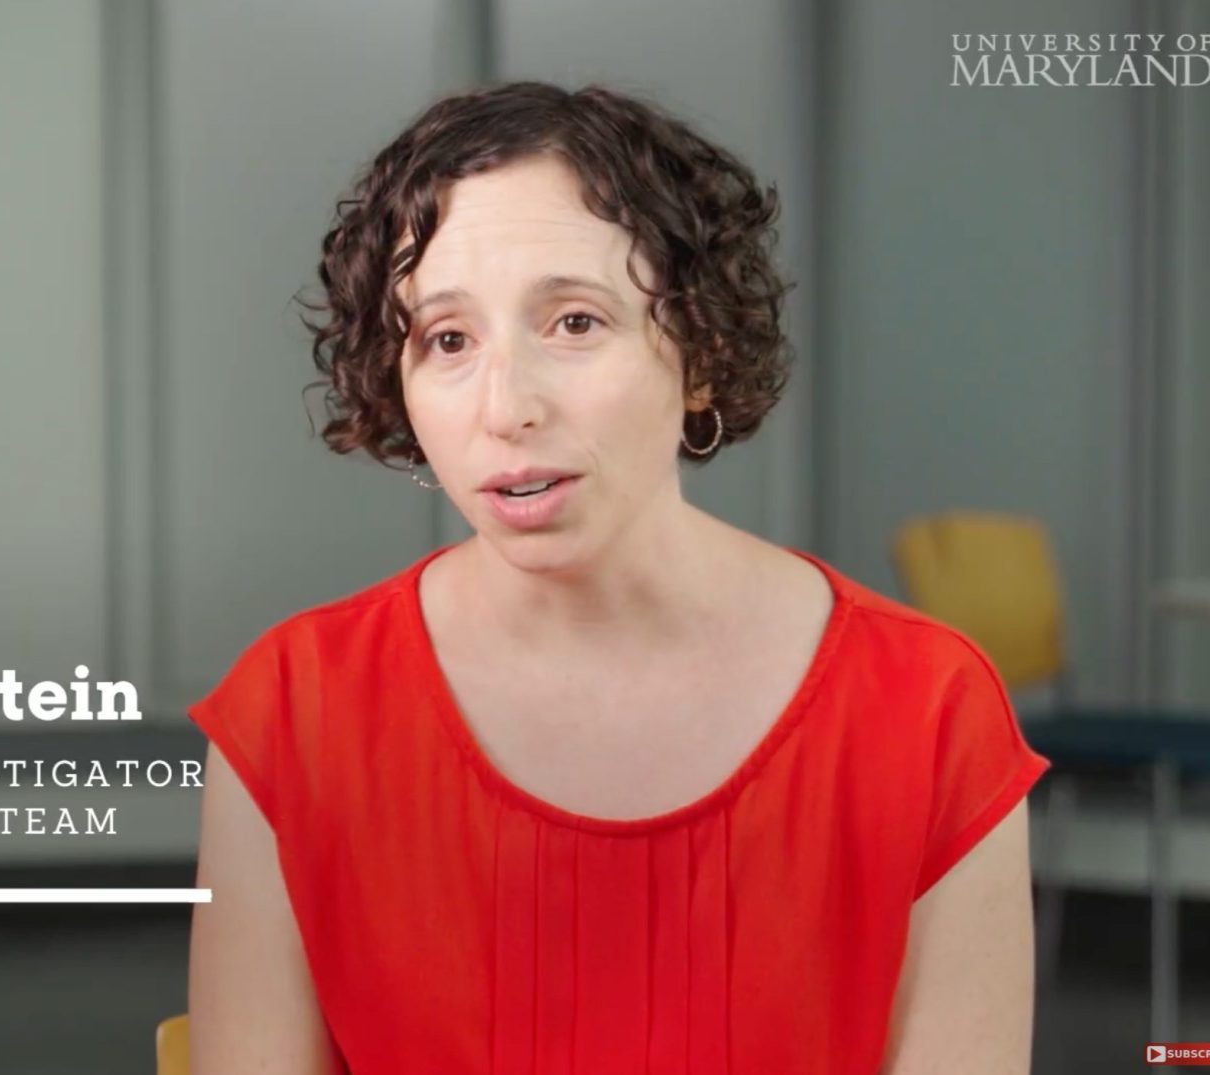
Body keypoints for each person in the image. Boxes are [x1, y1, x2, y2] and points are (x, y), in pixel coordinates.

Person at [184, 81, 1049, 1074]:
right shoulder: (289, 713)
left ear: (702, 351)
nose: (506, 407)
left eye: (574, 322)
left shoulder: (928, 713)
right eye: (448, 340)